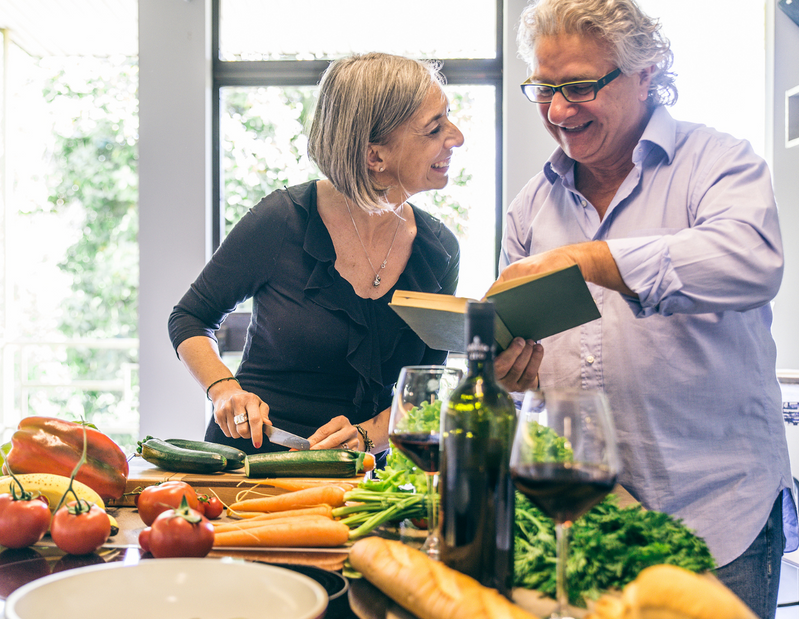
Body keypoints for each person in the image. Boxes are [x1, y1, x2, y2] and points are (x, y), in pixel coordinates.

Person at [499, 1, 798, 617]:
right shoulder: (531, 205)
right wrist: (510, 371)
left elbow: (751, 259)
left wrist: (594, 260)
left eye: (579, 86)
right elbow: (522, 356)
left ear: (646, 73)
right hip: (578, 517)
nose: (558, 111)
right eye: (544, 89)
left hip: (715, 515)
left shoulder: (719, 162)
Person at [169, 52, 541, 461]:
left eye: (447, 118)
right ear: (375, 157)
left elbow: (425, 387)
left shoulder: (440, 250)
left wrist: (366, 437)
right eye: (434, 128)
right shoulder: (281, 220)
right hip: (249, 465)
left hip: (356, 476)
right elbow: (190, 317)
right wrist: (224, 389)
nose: (456, 137)